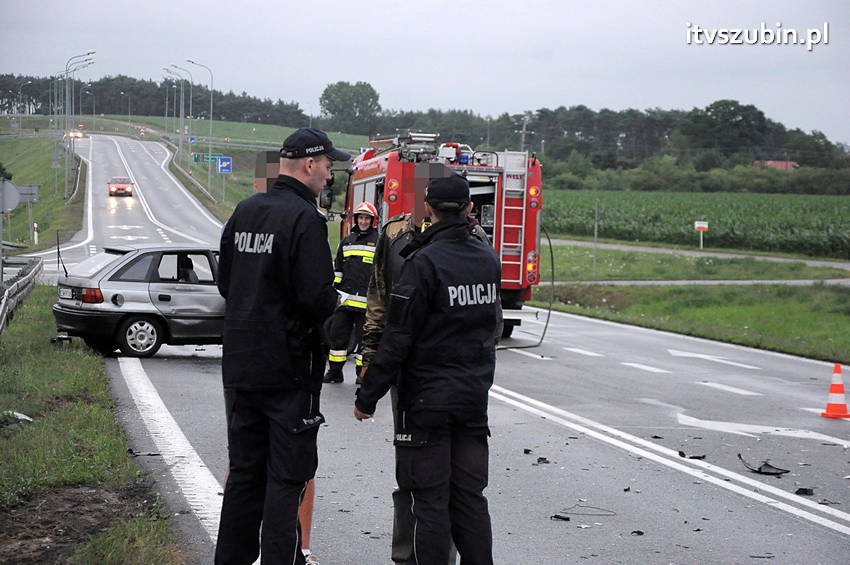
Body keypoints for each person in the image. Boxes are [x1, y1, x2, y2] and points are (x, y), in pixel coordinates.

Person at [215, 127, 349, 565]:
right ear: (310, 164)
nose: (329, 177)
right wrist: (334, 306)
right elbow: (315, 298)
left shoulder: (246, 210)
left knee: (244, 478)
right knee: (285, 481)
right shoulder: (305, 218)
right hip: (288, 372)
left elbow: (226, 282)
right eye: (329, 167)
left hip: (240, 368)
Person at [355, 171, 501, 565]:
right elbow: (494, 328)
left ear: (427, 209)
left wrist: (367, 395)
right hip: (473, 401)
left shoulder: (423, 262)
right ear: (470, 208)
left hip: (427, 402)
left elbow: (398, 337)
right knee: (470, 498)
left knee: (431, 501)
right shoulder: (488, 259)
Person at [324, 201, 380, 383]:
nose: (363, 221)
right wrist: (335, 293)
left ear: (373, 220)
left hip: (367, 302)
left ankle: (361, 375)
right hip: (345, 301)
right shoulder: (347, 241)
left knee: (365, 341)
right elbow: (338, 269)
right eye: (361, 218)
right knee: (337, 337)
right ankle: (334, 372)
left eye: (366, 218)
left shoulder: (379, 242)